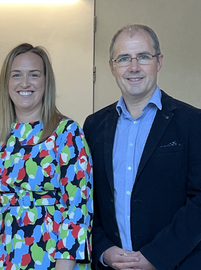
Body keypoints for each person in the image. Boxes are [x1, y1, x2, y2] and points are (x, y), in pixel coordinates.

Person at [83, 24, 201, 270]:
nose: (133, 67)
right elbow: (86, 200)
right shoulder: (94, 126)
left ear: (159, 62)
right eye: (124, 58)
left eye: (143, 57)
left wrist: (156, 256)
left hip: (177, 264)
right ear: (112, 67)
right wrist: (103, 249)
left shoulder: (192, 122)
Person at [0, 43, 93, 270]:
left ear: (46, 82)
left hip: (54, 258)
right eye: (16, 75)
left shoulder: (66, 132)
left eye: (34, 75)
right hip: (3, 255)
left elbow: (78, 208)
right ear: (6, 83)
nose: (24, 83)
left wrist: (64, 266)